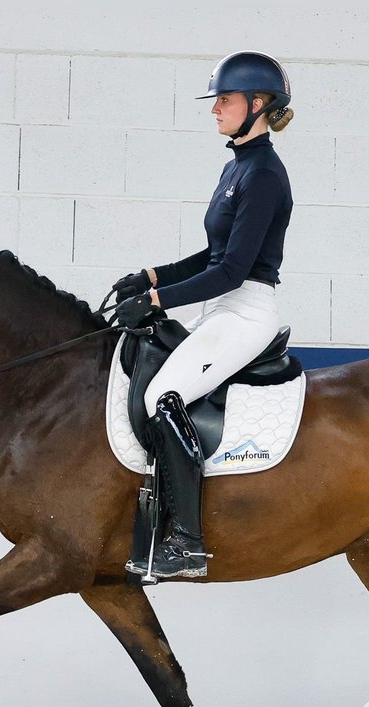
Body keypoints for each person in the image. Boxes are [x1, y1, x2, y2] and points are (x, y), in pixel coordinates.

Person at [113, 50, 295, 581]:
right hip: (223, 307)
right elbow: (212, 254)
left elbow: (232, 271)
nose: (215, 109)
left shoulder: (263, 173)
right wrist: (150, 277)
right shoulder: (237, 165)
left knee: (162, 397)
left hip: (245, 309)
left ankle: (187, 542)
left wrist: (154, 303)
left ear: (259, 105)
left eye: (226, 100)